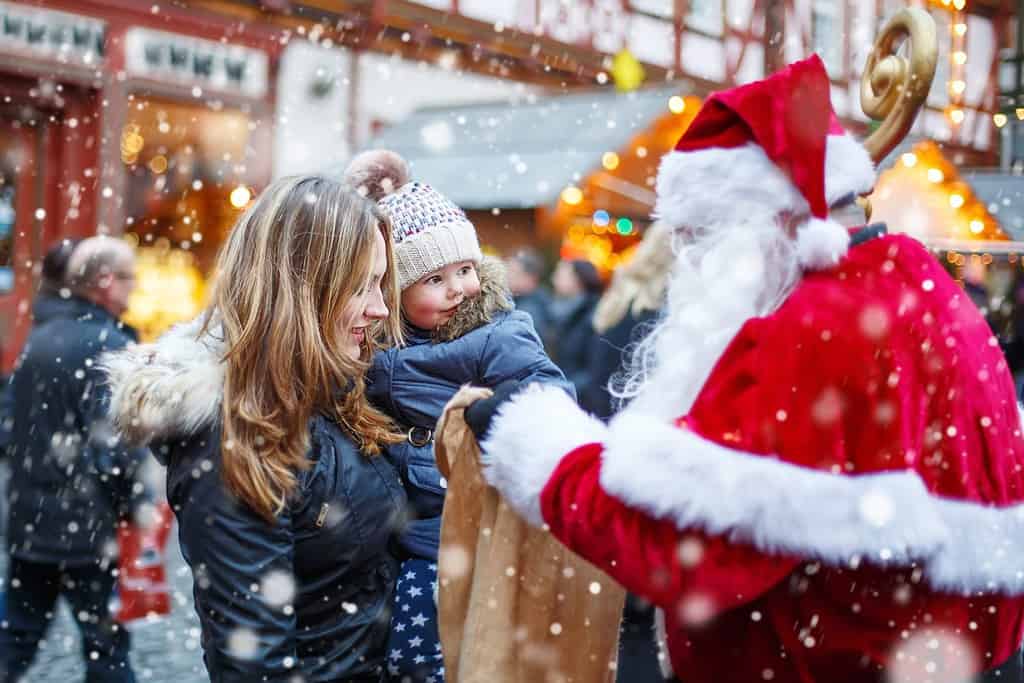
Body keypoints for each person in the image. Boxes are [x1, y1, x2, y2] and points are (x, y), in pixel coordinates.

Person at [461, 56, 1024, 682]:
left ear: (764, 222)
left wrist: (535, 442)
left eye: (704, 238)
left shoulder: (818, 326)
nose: (692, 266)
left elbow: (687, 546)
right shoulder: (920, 285)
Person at [101, 175, 409, 682]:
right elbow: (252, 663)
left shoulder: (330, 391)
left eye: (380, 284)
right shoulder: (234, 431)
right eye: (361, 286)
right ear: (303, 289)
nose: (379, 308)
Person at [344, 150, 572, 682]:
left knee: (430, 649)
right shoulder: (377, 340)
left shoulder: (495, 331)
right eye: (434, 279)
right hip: (398, 523)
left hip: (459, 518)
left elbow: (550, 390)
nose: (458, 288)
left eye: (466, 270)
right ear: (395, 292)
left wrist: (499, 411)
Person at [1, 236, 146, 682]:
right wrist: (128, 508)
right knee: (106, 647)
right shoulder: (105, 345)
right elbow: (114, 448)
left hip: (31, 521)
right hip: (87, 531)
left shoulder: (41, 336)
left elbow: (9, 427)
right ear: (105, 281)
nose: (133, 289)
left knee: (16, 637)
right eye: (129, 279)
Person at [548, 258, 604, 413]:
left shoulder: (594, 316)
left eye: (561, 274)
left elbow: (594, 368)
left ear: (578, 280)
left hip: (579, 403)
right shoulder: (559, 312)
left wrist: (564, 390)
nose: (554, 278)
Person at [506, 248, 553, 343]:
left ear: (531, 278)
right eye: (506, 269)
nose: (507, 276)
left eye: (513, 272)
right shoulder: (515, 299)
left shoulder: (533, 311)